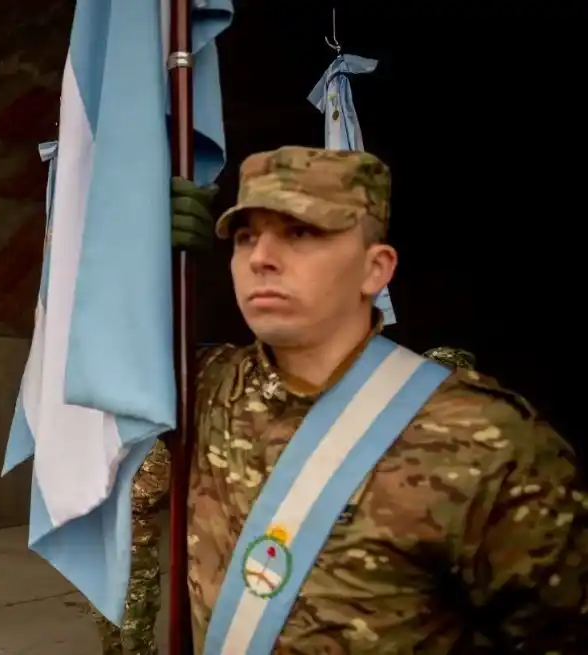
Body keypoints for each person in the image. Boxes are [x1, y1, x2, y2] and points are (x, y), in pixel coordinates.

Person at [170, 146, 587, 653]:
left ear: (376, 269)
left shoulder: (491, 442)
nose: (261, 258)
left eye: (301, 232)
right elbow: (86, 369)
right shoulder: (205, 390)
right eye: (245, 237)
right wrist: (136, 253)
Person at [88, 441, 170, 655]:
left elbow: (153, 485)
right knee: (107, 632)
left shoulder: (151, 441)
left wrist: (107, 497)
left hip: (136, 555)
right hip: (103, 550)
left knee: (136, 635)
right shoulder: (98, 437)